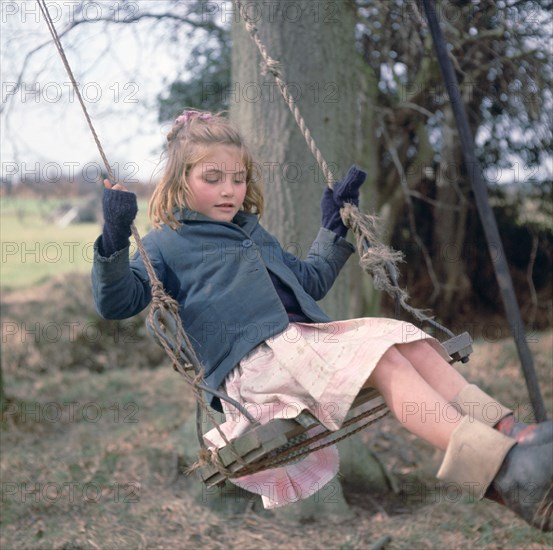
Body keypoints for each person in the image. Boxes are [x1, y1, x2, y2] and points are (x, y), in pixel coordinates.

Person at [92, 110, 552, 530]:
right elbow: (117, 301)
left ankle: (513, 434)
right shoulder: (165, 244)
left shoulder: (251, 231)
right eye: (213, 178)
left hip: (302, 343)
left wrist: (332, 228)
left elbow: (308, 282)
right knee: (388, 365)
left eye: (237, 178)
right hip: (259, 366)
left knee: (410, 344)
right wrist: (113, 239)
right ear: (180, 180)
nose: (229, 190)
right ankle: (503, 471)